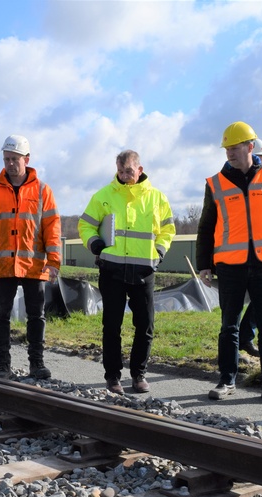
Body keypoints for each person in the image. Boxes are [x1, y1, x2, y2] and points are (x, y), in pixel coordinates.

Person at [196, 121, 262, 404]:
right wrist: (204, 263)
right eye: (227, 149)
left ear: (250, 147)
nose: (230, 153)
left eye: (235, 148)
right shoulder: (215, 183)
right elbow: (206, 226)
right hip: (230, 265)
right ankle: (227, 381)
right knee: (229, 326)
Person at [78, 150, 175, 394]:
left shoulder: (157, 198)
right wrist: (94, 244)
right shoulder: (104, 196)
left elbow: (168, 230)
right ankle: (112, 377)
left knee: (145, 325)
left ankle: (139, 375)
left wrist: (159, 252)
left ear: (139, 169)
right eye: (120, 172)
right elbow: (85, 224)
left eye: (129, 172)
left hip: (144, 270)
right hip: (112, 270)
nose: (124, 176)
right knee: (112, 325)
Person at [0, 134, 62, 380]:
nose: (10, 163)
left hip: (34, 264)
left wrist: (54, 261)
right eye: (6, 159)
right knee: (1, 314)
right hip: (3, 264)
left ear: (27, 159)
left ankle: (37, 364)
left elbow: (52, 227)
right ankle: (3, 366)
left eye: (14, 158)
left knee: (36, 315)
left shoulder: (43, 190)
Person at [236, 136, 262, 358]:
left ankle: (245, 337)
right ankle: (232, 352)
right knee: (233, 310)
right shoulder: (227, 183)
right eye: (261, 158)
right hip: (235, 256)